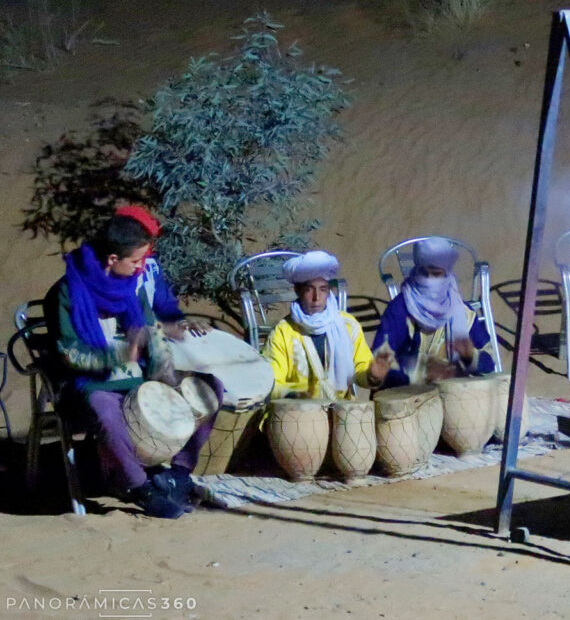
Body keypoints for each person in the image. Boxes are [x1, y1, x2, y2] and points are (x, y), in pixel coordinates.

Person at [45, 215, 223, 519]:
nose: (142, 268)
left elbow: (151, 332)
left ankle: (177, 475)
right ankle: (142, 489)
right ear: (112, 259)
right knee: (107, 413)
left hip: (139, 378)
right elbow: (69, 353)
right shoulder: (67, 293)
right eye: (137, 261)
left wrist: (167, 375)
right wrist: (118, 355)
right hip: (92, 384)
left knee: (210, 387)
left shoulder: (129, 287)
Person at [263, 250, 390, 400]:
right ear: (297, 291)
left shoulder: (348, 325)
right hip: (298, 413)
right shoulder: (283, 332)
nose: (316, 297)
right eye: (309, 289)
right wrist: (293, 394)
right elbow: (272, 380)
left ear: (329, 290)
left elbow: (360, 368)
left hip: (341, 410)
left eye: (323, 289)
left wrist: (372, 375)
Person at [371, 237, 495, 389]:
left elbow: (490, 361)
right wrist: (422, 372)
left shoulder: (463, 313)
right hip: (409, 397)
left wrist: (471, 357)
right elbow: (381, 365)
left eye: (436, 274)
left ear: (447, 275)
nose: (429, 281)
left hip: (452, 395)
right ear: (416, 271)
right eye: (424, 273)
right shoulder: (399, 310)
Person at [113, 205, 206, 340]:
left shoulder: (151, 265)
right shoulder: (114, 269)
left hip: (149, 336)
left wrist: (181, 323)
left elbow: (165, 304)